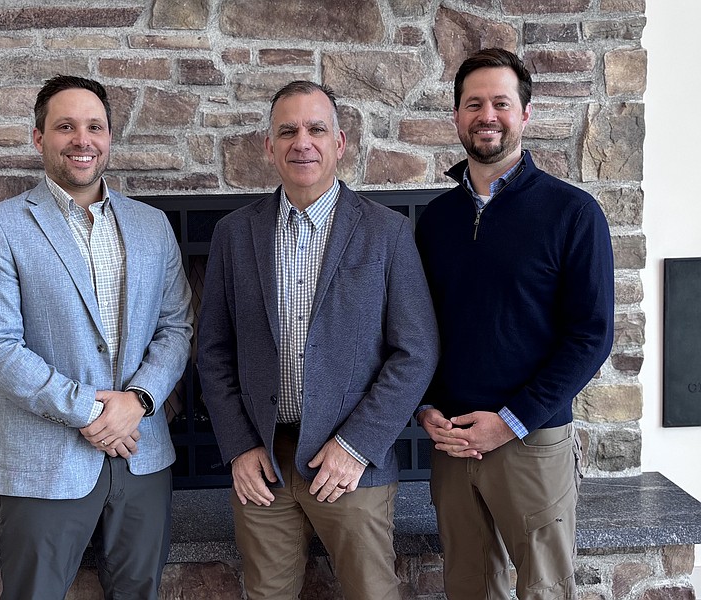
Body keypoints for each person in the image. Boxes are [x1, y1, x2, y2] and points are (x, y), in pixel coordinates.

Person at [196, 80, 439, 600]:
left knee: (372, 593)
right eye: (287, 131)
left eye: (315, 129)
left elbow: (415, 351)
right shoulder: (234, 234)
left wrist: (355, 447)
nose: (301, 142)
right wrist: (239, 446)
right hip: (262, 460)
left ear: (339, 143)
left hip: (349, 460)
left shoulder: (387, 233)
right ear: (268, 146)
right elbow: (213, 349)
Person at [0, 75, 193, 600]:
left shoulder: (152, 225)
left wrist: (139, 400)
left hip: (143, 455)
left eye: (95, 127)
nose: (82, 140)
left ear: (109, 137)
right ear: (39, 138)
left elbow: (176, 326)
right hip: (44, 462)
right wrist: (92, 411)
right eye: (65, 126)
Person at [415, 48, 615, 599]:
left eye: (501, 102)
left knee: (544, 590)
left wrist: (510, 421)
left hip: (532, 441)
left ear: (525, 114)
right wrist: (427, 406)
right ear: (456, 116)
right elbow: (419, 329)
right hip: (453, 444)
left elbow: (592, 335)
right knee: (469, 588)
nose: (487, 115)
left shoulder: (572, 213)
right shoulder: (436, 221)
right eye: (473, 103)